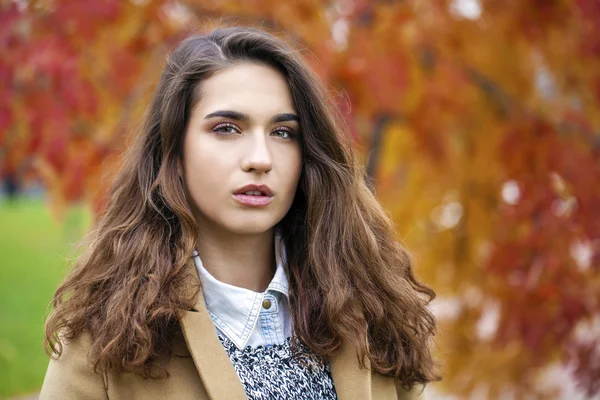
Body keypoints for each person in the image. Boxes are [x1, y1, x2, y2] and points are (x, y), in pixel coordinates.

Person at [40, 26, 440, 399]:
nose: (261, 159)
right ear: (174, 152)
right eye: (227, 128)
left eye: (283, 132)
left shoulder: (372, 309)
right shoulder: (107, 337)